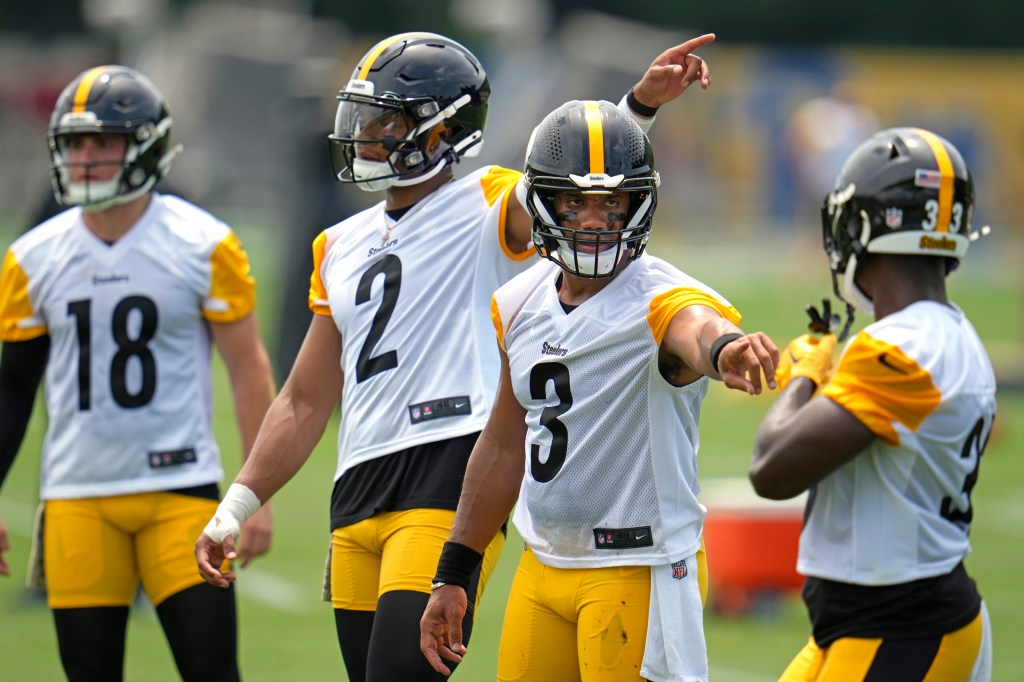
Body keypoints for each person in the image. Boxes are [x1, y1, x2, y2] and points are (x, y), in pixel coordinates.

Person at [195, 31, 714, 682]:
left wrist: (636, 108)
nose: (364, 135)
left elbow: (572, 188)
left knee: (399, 673)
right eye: (364, 117)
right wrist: (237, 504)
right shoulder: (337, 244)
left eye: (385, 121)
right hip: (357, 486)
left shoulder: (488, 203)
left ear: (441, 133)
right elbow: (303, 399)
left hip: (447, 469)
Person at [419, 99, 779, 682]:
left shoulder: (661, 298)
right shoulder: (519, 302)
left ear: (638, 203)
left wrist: (724, 349)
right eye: (575, 201)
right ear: (543, 201)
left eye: (611, 202)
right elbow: (505, 445)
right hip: (543, 565)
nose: (593, 219)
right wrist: (454, 570)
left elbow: (696, 327)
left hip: (638, 565)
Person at [0, 65, 276, 681]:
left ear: (146, 146)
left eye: (104, 142)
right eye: (76, 144)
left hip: (179, 492)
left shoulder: (203, 243)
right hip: (77, 498)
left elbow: (248, 367)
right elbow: (12, 388)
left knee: (213, 673)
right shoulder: (33, 256)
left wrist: (256, 496)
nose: (88, 158)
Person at [748, 127, 994, 681]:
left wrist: (806, 377)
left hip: (901, 627)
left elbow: (772, 469)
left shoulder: (904, 347)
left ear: (861, 223)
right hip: (879, 615)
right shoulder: (945, 332)